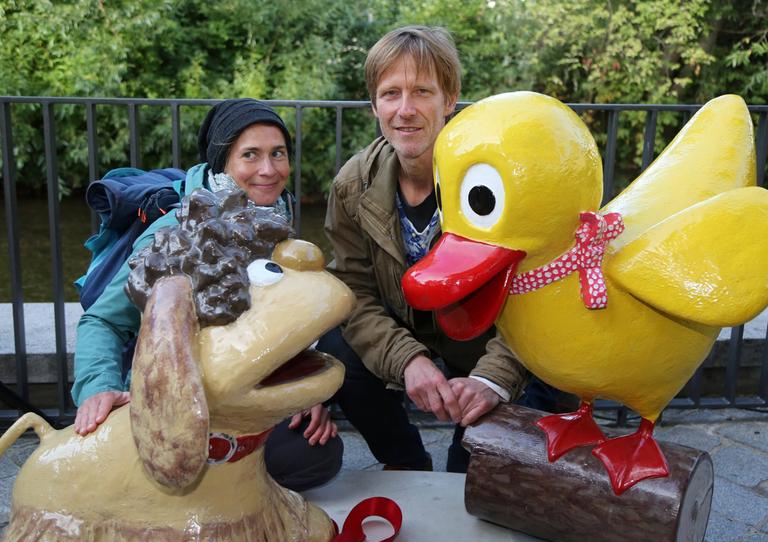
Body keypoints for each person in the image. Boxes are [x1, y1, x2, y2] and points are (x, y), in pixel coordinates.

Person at [318, 25, 559, 473]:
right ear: (374, 105)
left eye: (422, 91)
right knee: (338, 348)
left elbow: (539, 292)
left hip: (488, 345)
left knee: (468, 479)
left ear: (450, 100)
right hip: (408, 336)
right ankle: (407, 464)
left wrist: (493, 378)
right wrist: (407, 359)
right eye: (391, 93)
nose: (405, 110)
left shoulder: (499, 178)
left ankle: (483, 448)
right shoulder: (353, 184)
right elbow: (353, 293)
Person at [72, 99, 342, 491]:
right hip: (179, 391)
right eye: (251, 155)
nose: (269, 169)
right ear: (222, 163)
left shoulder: (276, 214)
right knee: (282, 460)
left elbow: (266, 321)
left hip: (236, 387)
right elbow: (103, 319)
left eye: (278, 154)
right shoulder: (175, 229)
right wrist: (98, 390)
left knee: (316, 454)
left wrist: (296, 390)